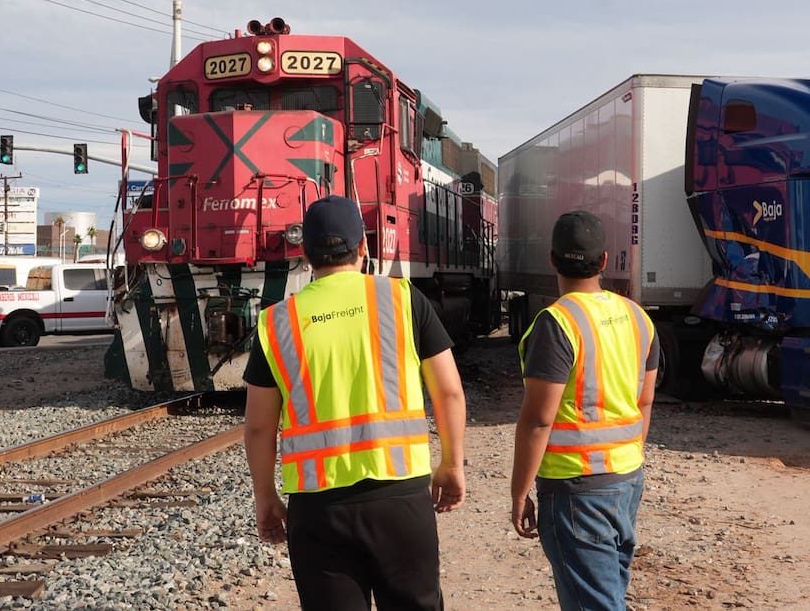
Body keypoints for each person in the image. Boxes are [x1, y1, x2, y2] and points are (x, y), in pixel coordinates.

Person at [243, 194, 467, 610]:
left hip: (318, 507)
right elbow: (449, 391)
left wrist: (265, 495)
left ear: (305, 255)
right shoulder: (403, 299)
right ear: (363, 247)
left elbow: (258, 426)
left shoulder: (276, 322)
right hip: (400, 500)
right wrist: (452, 463)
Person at [510, 209, 659, 611]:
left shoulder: (557, 323)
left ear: (552, 259)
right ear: (606, 260)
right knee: (607, 593)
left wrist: (519, 492)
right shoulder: (637, 316)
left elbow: (539, 419)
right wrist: (625, 462)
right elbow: (644, 402)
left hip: (575, 487)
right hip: (627, 478)